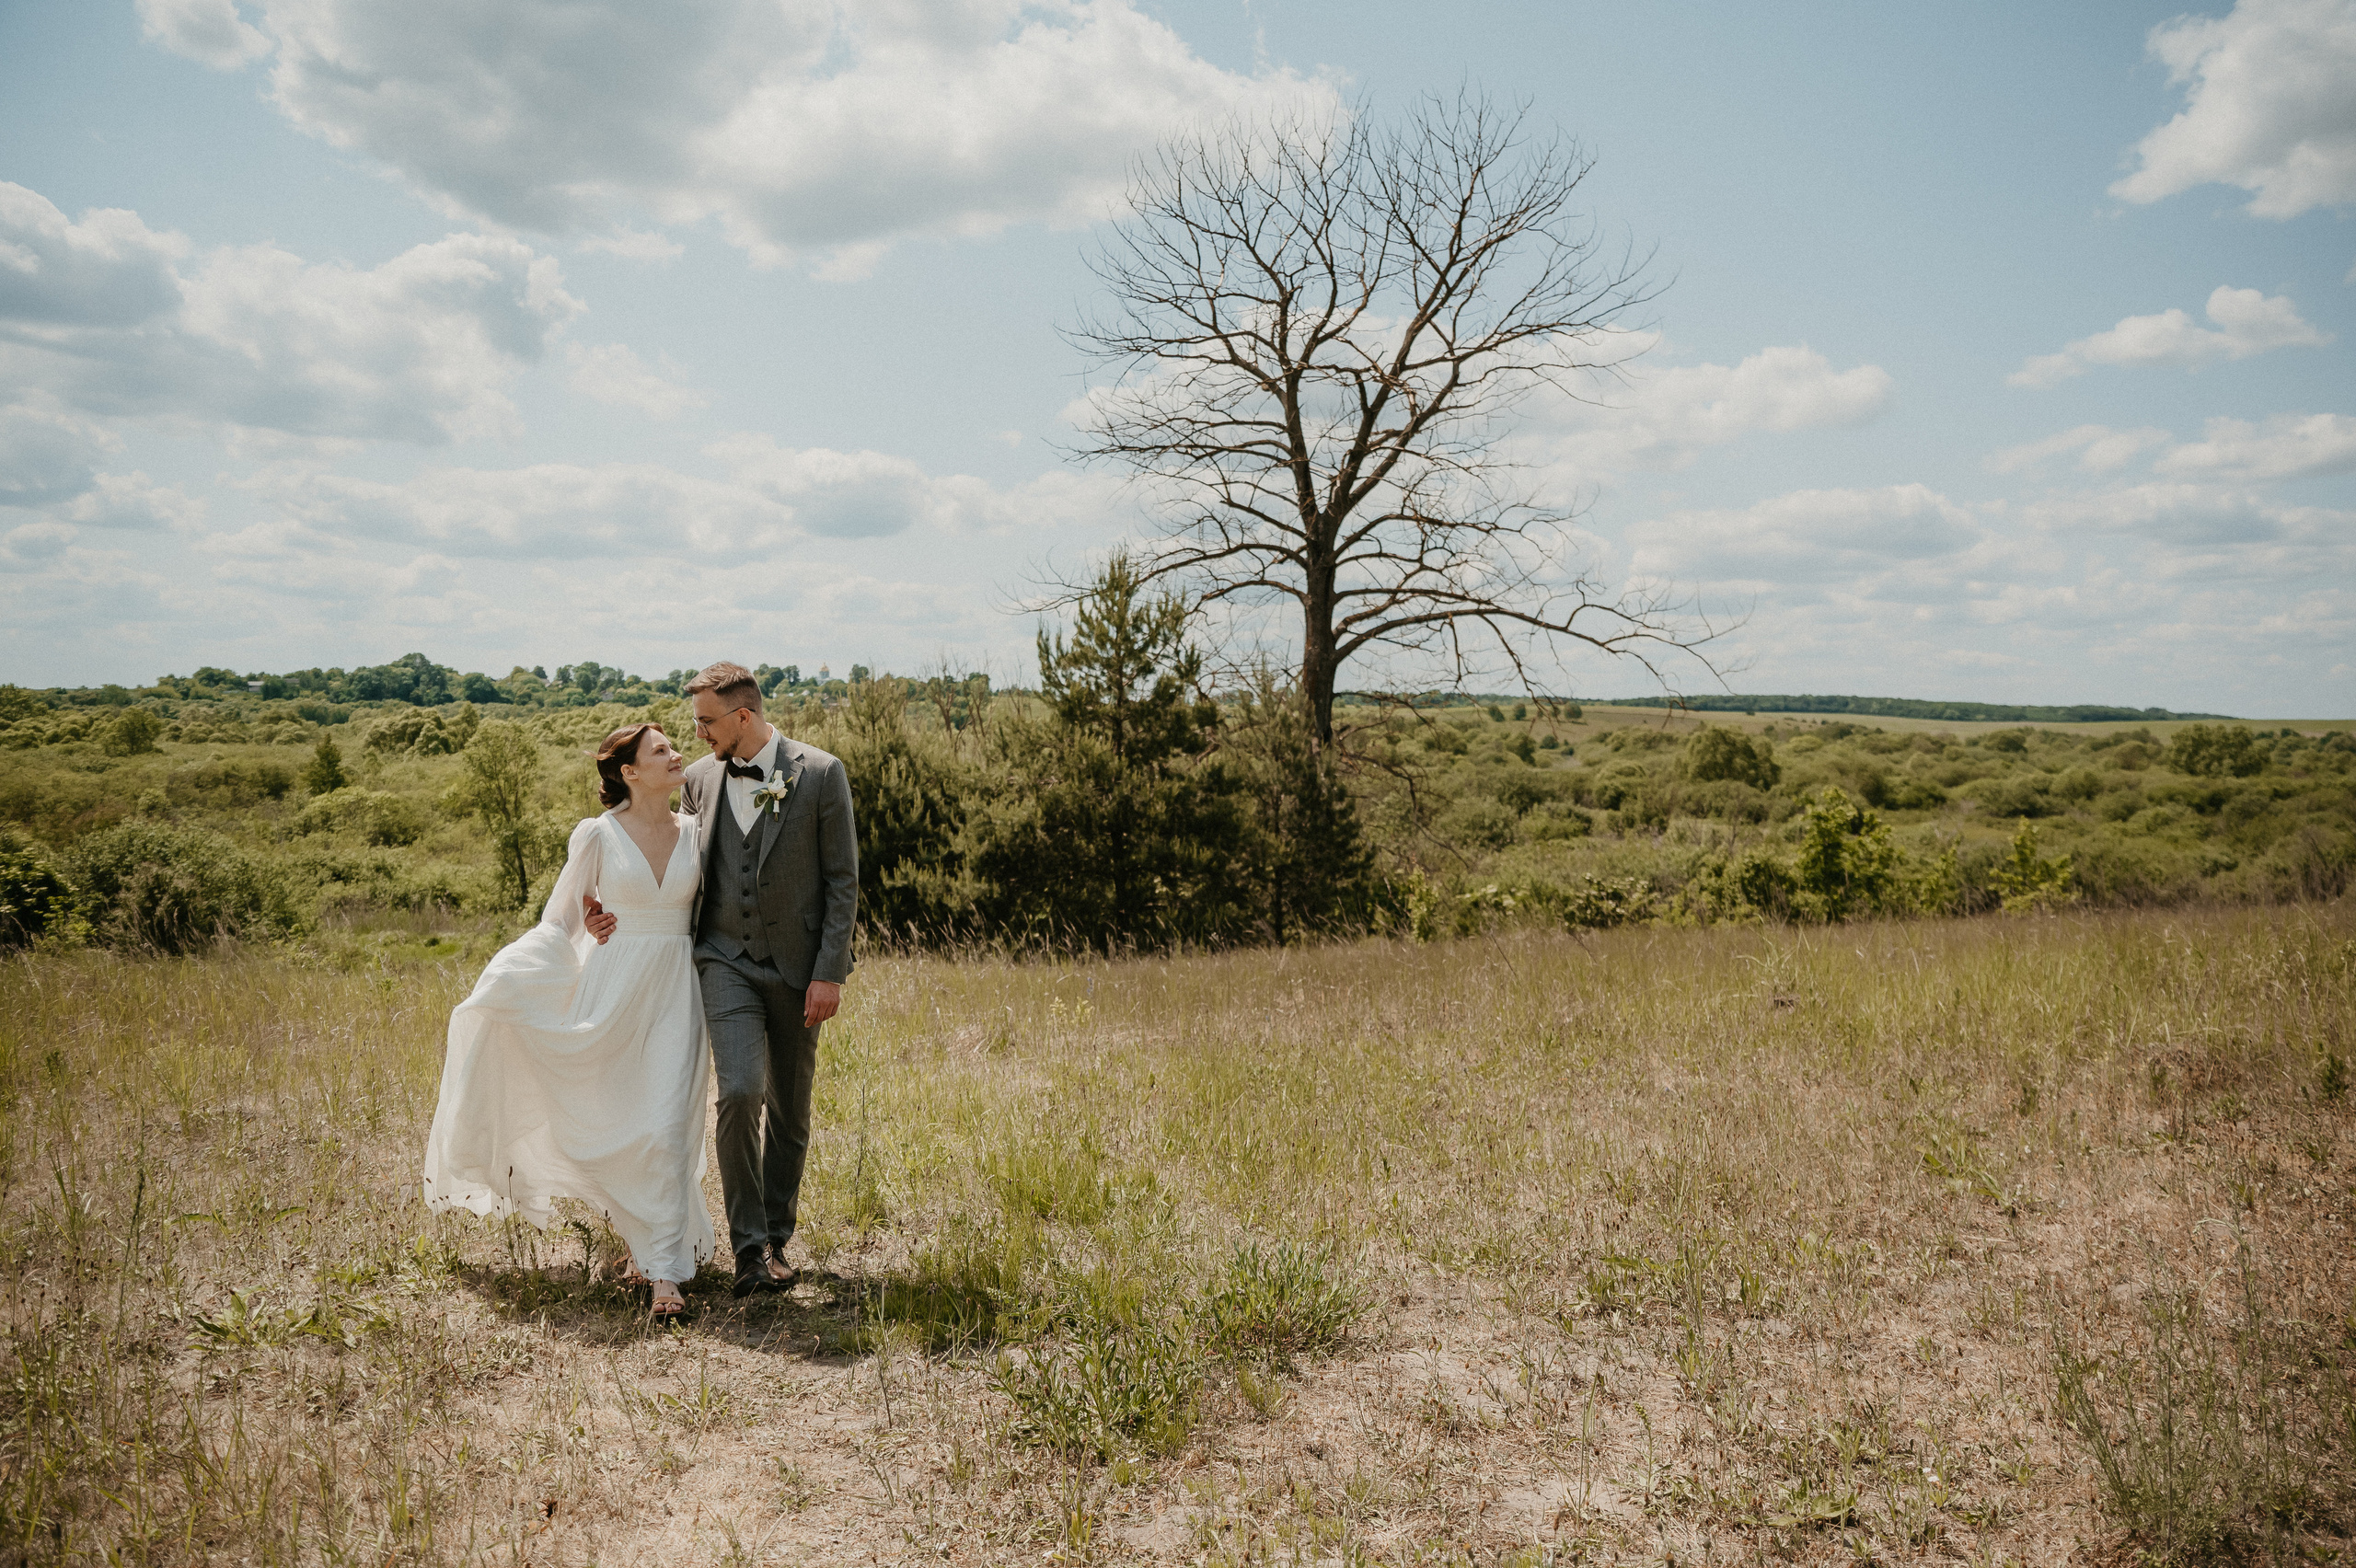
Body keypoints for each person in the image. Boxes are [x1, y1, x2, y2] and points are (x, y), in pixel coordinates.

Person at [421, 724, 715, 1318]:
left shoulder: (699, 834)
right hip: (613, 989)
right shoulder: (598, 834)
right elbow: (563, 917)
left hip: (679, 989)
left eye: (672, 746)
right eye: (661, 750)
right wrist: (518, 970)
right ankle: (639, 1237)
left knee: (667, 1125)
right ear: (629, 772)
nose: (676, 753)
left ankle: (664, 1276)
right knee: (612, 1123)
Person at [677, 661, 859, 1297]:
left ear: (743, 716)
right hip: (723, 961)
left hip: (797, 967)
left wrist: (828, 973)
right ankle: (748, 1247)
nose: (697, 735)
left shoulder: (821, 774)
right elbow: (677, 864)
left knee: (789, 1106)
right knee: (738, 1094)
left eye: (706, 722)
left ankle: (778, 1236)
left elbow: (842, 882)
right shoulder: (698, 781)